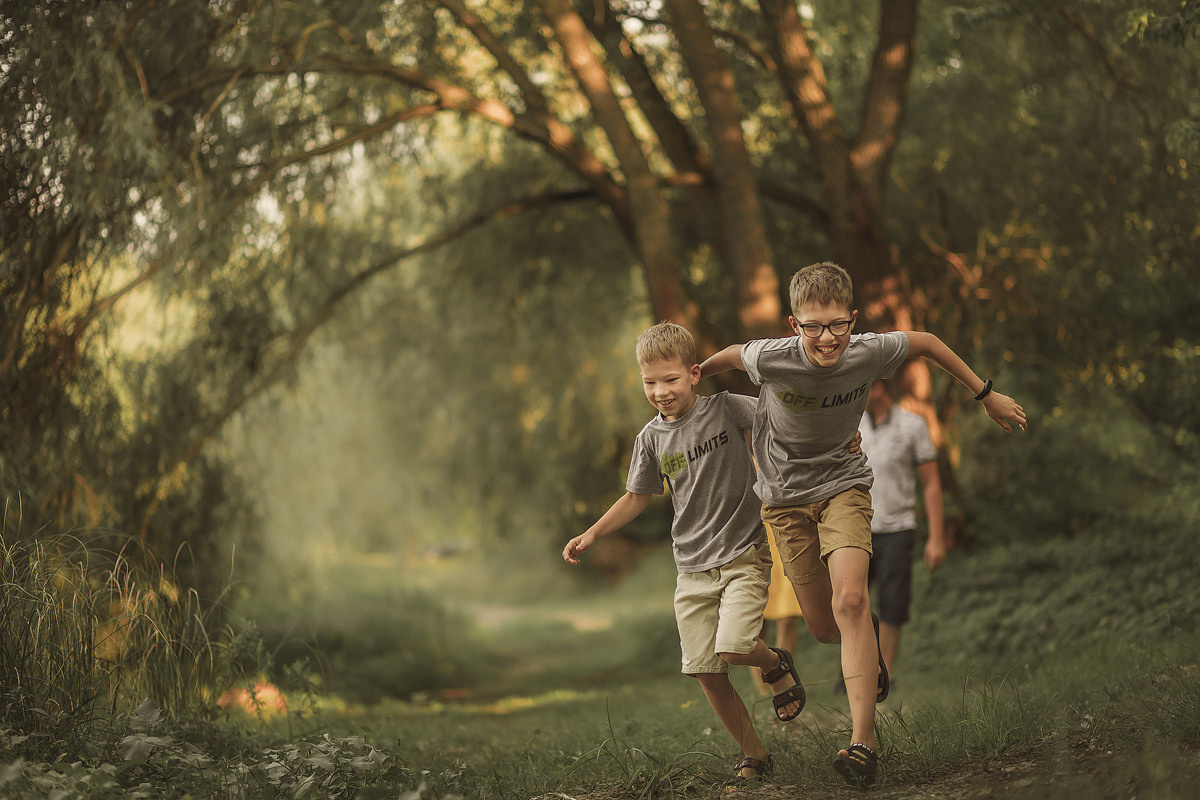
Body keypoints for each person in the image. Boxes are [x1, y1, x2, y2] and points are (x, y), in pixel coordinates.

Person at [700, 262, 1026, 786]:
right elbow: (726, 359)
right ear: (793, 324)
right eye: (813, 326)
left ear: (853, 319)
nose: (826, 338)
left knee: (850, 601)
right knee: (826, 627)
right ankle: (810, 655)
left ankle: (862, 745)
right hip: (783, 502)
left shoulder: (868, 351)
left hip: (843, 487)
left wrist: (985, 394)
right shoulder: (771, 358)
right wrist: (689, 380)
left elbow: (927, 342)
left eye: (837, 324)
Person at [562, 322, 806, 782]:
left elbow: (782, 420)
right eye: (649, 382)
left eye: (670, 379)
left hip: (743, 552)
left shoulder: (726, 408)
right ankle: (754, 753)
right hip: (692, 568)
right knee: (706, 669)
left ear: (694, 374)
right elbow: (636, 496)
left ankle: (775, 662)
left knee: (734, 647)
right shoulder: (650, 440)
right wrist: (593, 532)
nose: (660, 391)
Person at [852, 378, 946, 690]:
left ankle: (884, 674)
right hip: (856, 529)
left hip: (898, 528)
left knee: (892, 603)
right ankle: (858, 669)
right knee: (853, 602)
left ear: (877, 387)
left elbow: (931, 484)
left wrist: (936, 537)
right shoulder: (849, 424)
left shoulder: (913, 426)